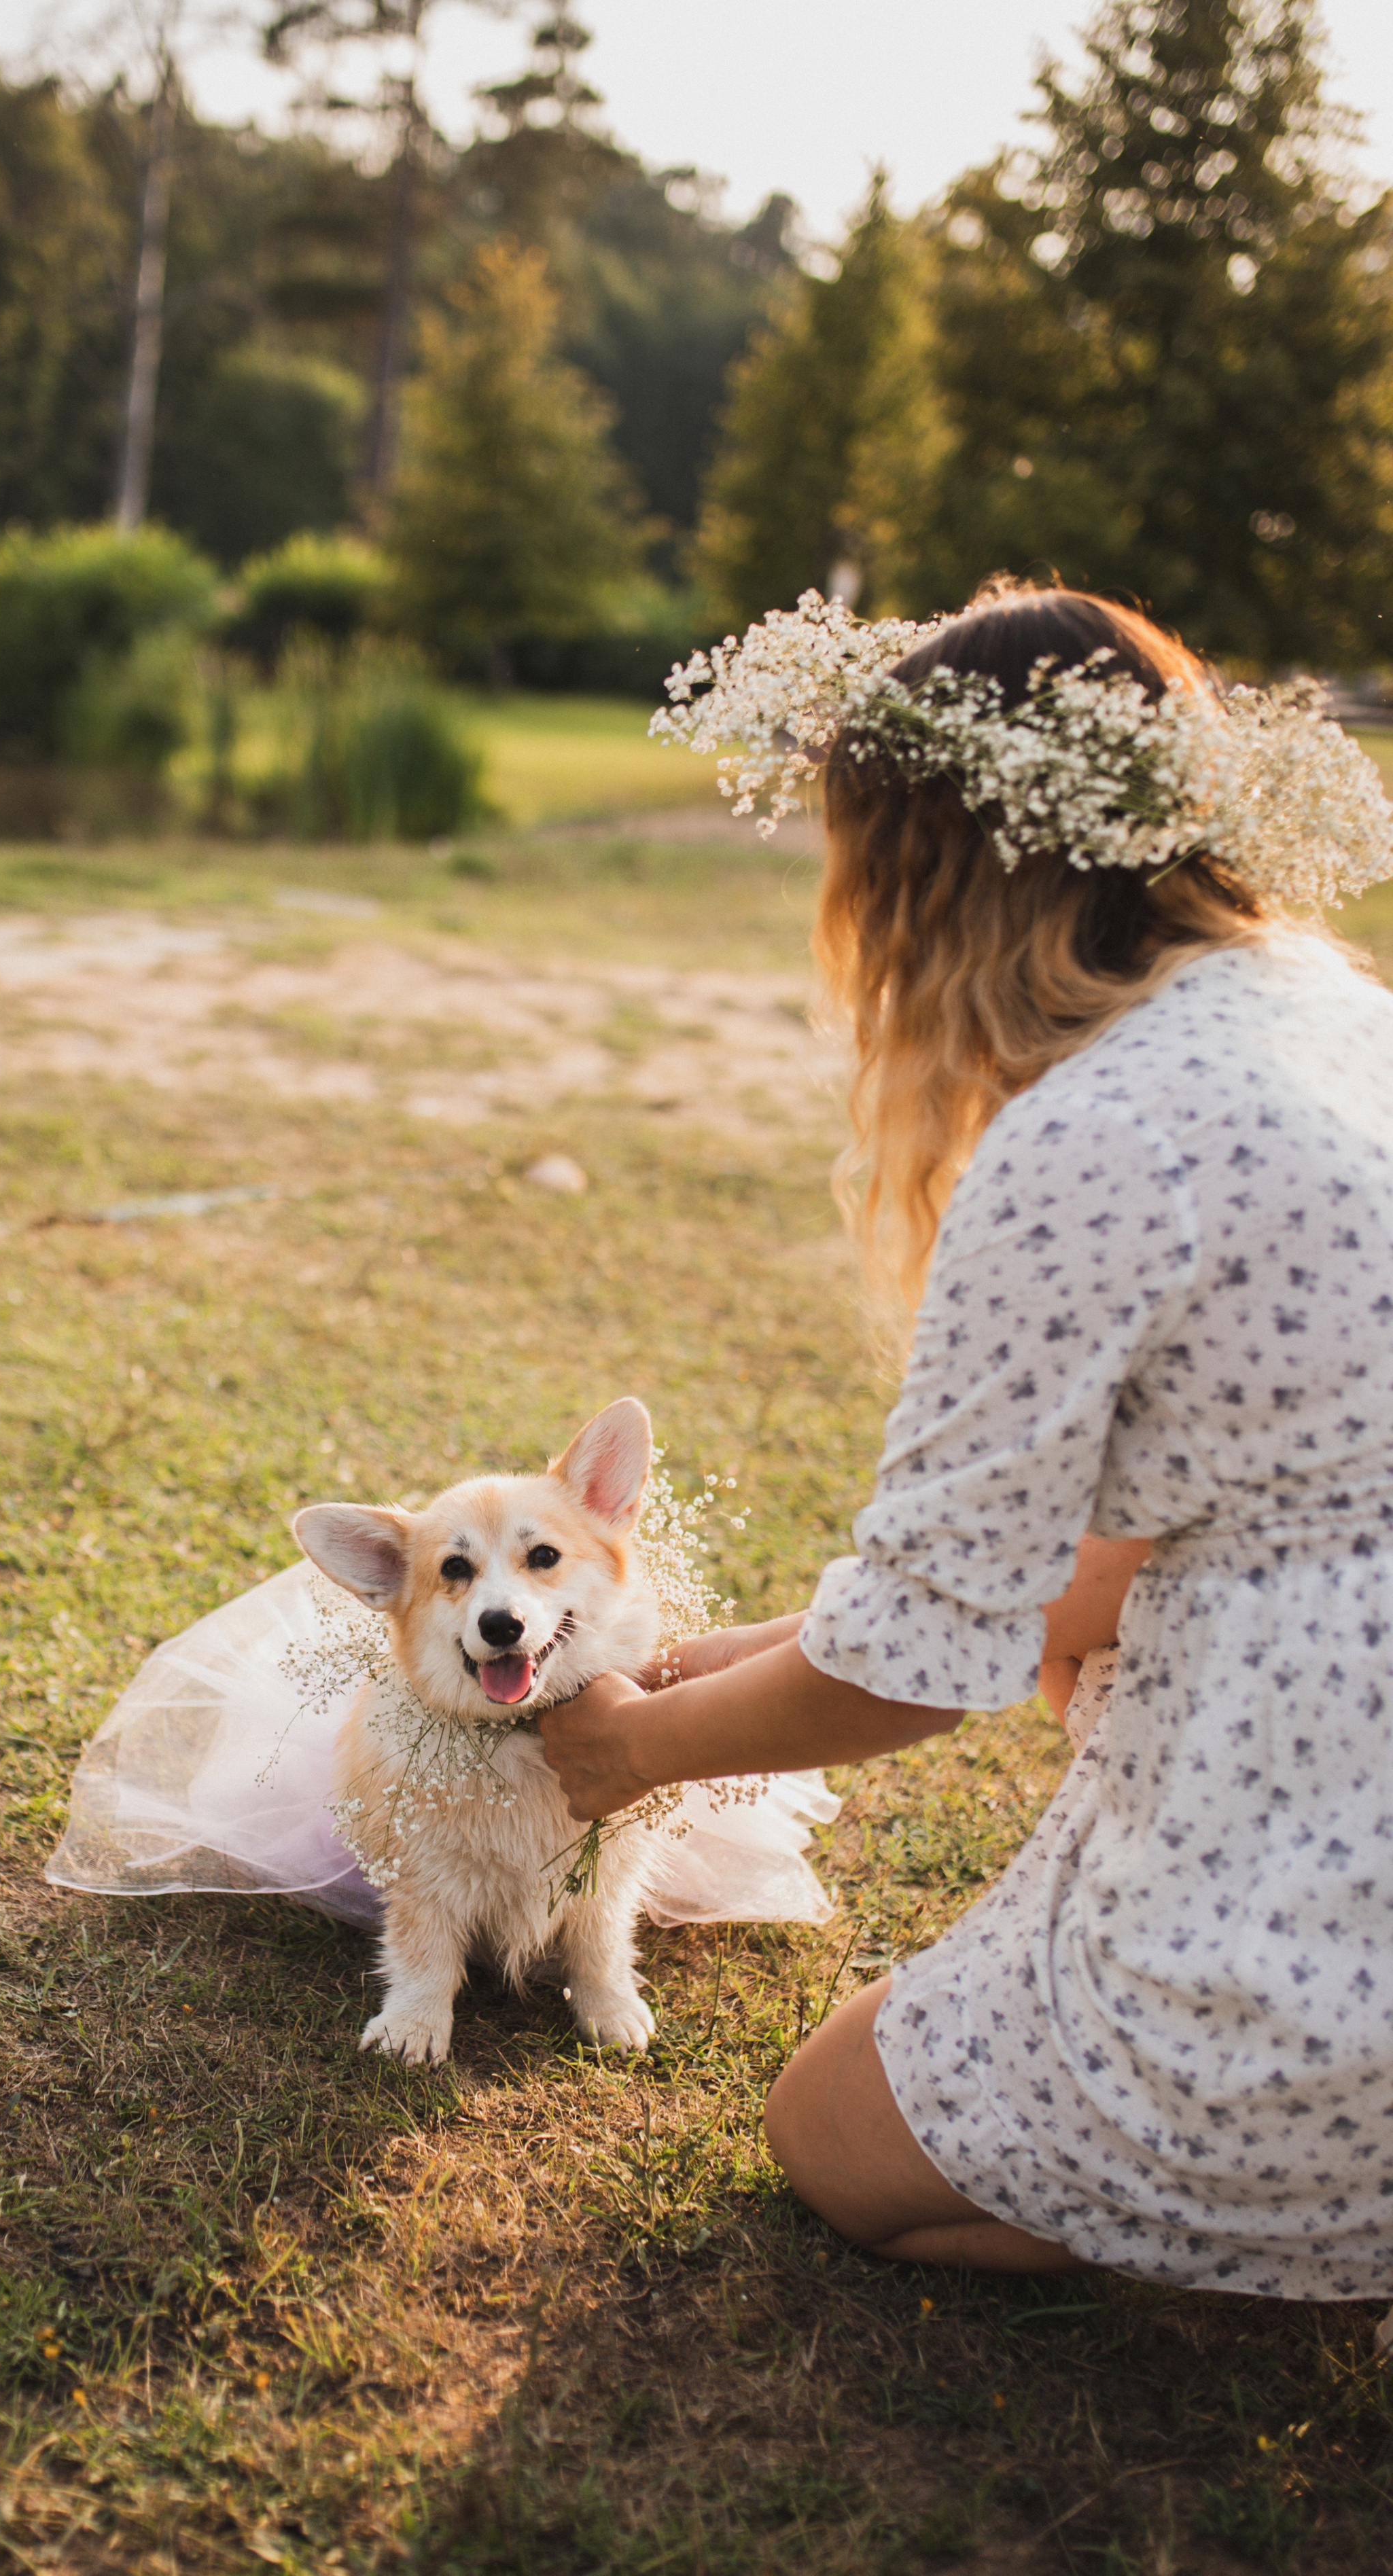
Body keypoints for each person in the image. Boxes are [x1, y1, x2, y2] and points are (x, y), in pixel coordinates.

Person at [540, 582, 1393, 2298]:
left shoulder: (1090, 1139)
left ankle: (1298, 2212)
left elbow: (918, 1670)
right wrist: (712, 1658)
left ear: (930, 874)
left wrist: (628, 1753)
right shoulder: (1327, 1007)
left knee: (832, 2137)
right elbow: (1094, 1560)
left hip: (1323, 1854)